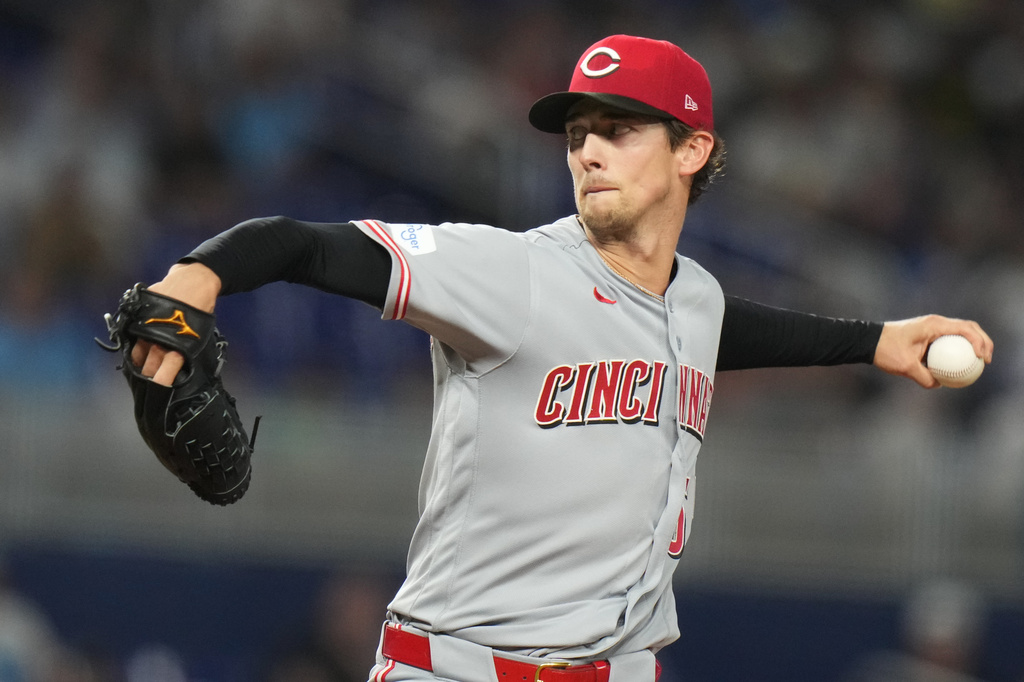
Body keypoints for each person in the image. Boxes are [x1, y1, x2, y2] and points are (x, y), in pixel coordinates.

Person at [128, 35, 993, 682]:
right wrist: (200, 273)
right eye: (579, 132)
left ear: (692, 149)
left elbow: (722, 328)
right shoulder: (514, 272)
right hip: (458, 668)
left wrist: (876, 341)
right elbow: (309, 245)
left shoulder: (693, 298)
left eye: (619, 129)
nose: (588, 151)